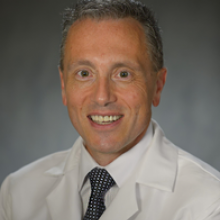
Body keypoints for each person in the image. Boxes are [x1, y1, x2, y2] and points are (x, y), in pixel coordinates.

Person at [1, 0, 220, 219]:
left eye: (123, 74)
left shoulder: (208, 203)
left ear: (158, 86)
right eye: (84, 73)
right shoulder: (18, 193)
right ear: (63, 85)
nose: (102, 97)